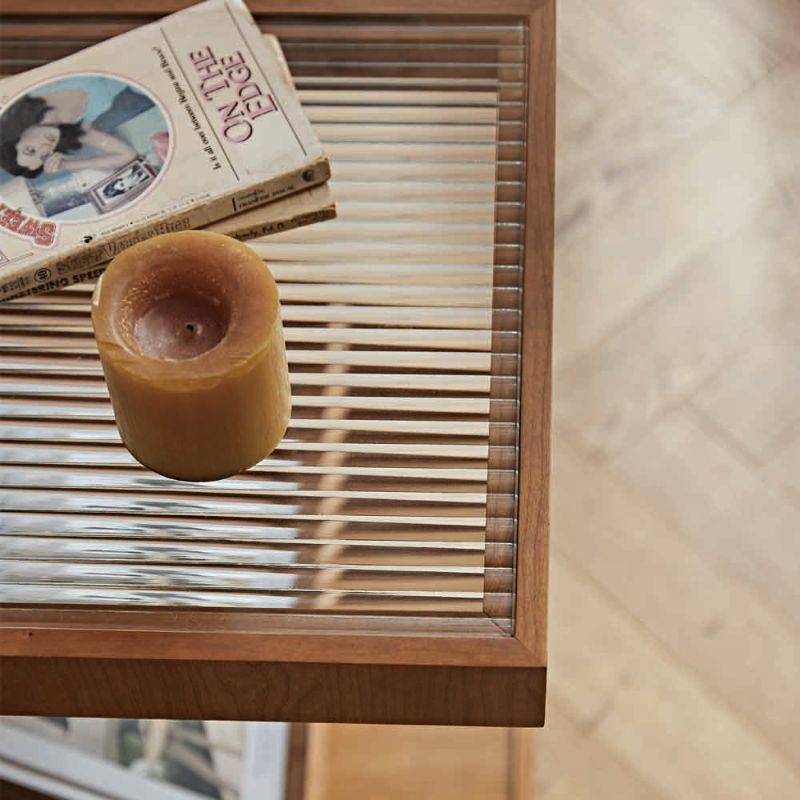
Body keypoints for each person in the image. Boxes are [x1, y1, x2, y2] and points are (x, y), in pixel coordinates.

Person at [0, 85, 153, 179]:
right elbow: (127, 155)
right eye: (44, 156)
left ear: (17, 134)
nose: (46, 147)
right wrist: (66, 165)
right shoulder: (75, 128)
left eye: (30, 149)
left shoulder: (33, 91)